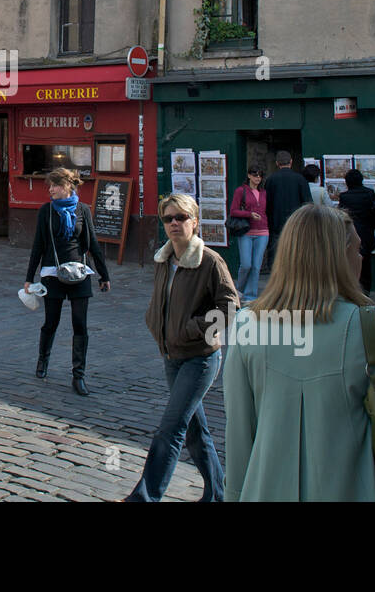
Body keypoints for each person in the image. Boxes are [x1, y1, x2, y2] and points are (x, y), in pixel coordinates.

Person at [224, 204, 375, 501]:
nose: (361, 258)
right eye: (357, 250)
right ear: (341, 257)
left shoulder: (248, 324)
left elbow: (239, 436)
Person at [126, 193, 236, 502]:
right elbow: (161, 302)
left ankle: (144, 497)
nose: (174, 223)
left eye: (181, 218)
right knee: (194, 431)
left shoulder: (210, 261)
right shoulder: (164, 259)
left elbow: (229, 308)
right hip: (171, 356)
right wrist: (155, 322)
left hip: (200, 359)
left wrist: (193, 329)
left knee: (170, 428)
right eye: (168, 219)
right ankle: (218, 494)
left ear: (195, 222)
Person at [23, 167, 111, 396]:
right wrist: (29, 277)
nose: (50, 189)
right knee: (50, 322)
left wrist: (104, 275)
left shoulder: (83, 210)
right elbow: (38, 246)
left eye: (54, 185)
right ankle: (43, 361)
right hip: (52, 274)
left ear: (67, 186)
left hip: (79, 273)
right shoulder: (46, 212)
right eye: (50, 185)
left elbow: (92, 244)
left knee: (80, 324)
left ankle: (78, 375)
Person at [337, 169, 375, 294]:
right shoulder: (369, 193)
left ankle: (353, 290)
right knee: (366, 265)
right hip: (366, 233)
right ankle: (366, 291)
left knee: (350, 263)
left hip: (350, 234)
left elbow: (342, 215)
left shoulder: (344, 197)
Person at [228, 166, 269, 302]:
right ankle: (239, 290)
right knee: (246, 264)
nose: (257, 178)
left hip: (263, 231)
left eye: (260, 175)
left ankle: (251, 296)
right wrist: (249, 214)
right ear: (249, 176)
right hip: (246, 231)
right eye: (255, 175)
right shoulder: (241, 191)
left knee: (256, 266)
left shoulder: (263, 192)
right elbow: (233, 211)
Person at [264, 150, 311, 268]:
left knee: (275, 259)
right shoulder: (300, 179)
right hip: (297, 223)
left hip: (275, 223)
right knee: (296, 258)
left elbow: (266, 203)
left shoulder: (271, 180)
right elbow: (308, 203)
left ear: (277, 163)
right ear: (291, 162)